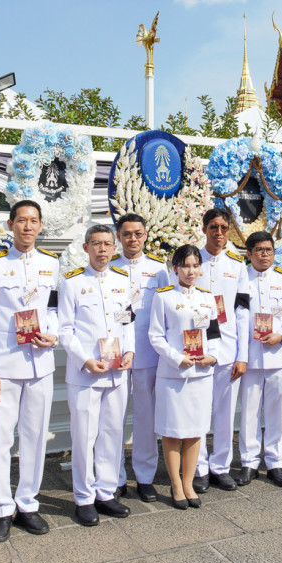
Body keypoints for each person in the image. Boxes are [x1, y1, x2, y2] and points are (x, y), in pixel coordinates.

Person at [0, 199, 61, 542]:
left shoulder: (51, 264)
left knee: (36, 435)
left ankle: (27, 502)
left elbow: (53, 307)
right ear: (10, 225)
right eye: (21, 221)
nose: (27, 227)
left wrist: (51, 334)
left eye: (34, 221)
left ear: (40, 226)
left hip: (39, 363)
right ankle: (2, 507)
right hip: (5, 365)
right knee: (0, 438)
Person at [59, 223, 134, 526]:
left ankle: (106, 492)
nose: (102, 249)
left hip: (117, 373)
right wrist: (85, 360)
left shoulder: (122, 280)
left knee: (112, 434)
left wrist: (129, 352)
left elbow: (127, 322)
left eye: (107, 244)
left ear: (114, 248)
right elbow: (65, 330)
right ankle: (84, 497)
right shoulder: (72, 283)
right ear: (86, 247)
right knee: (85, 436)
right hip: (86, 374)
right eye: (96, 244)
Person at [149, 244, 221, 508]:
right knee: (172, 431)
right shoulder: (164, 297)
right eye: (186, 266)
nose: (191, 272)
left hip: (201, 375)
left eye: (195, 265)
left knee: (195, 432)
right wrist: (177, 357)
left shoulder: (207, 297)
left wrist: (213, 356)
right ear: (175, 267)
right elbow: (155, 335)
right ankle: (176, 485)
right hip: (173, 375)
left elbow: (214, 334)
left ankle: (189, 483)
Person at [232, 230, 282, 487]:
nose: (264, 255)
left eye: (268, 250)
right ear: (248, 254)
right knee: (249, 411)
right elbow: (238, 316)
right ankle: (249, 462)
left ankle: (275, 462)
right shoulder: (241, 279)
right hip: (249, 356)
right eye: (259, 250)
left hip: (277, 356)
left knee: (275, 412)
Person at [112, 213, 169, 502]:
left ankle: (145, 477)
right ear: (118, 237)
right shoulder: (109, 267)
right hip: (116, 354)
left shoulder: (159, 270)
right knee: (114, 418)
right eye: (127, 234)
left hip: (148, 352)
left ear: (146, 235)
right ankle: (114, 477)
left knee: (145, 418)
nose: (132, 239)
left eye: (138, 233)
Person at [194, 207, 246, 493]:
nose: (218, 232)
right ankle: (200, 467)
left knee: (225, 412)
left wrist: (242, 355)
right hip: (198, 349)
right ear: (204, 229)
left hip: (227, 348)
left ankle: (221, 466)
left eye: (224, 228)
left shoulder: (237, 266)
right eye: (213, 227)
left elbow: (243, 313)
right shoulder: (191, 260)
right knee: (200, 410)